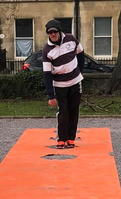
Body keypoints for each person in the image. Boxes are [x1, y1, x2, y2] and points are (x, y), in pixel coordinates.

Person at [42, 20, 84, 149]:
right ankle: (62, 139)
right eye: (50, 32)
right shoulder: (47, 50)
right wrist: (51, 96)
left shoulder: (71, 39)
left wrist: (79, 72)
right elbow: (47, 74)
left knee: (74, 110)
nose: (53, 34)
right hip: (60, 85)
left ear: (59, 31)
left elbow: (81, 54)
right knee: (63, 112)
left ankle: (71, 139)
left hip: (75, 82)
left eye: (55, 31)